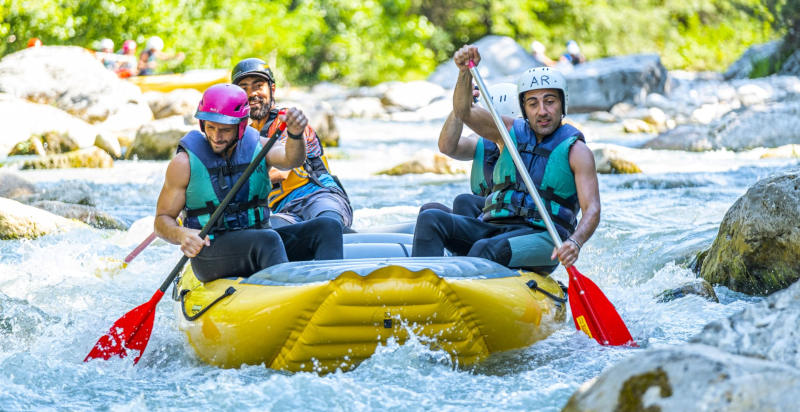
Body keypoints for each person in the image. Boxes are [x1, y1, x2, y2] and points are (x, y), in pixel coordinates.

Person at [412, 45, 601, 273]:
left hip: (543, 238)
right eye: (533, 104)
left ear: (563, 104)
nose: (542, 111)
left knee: (485, 249)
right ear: (524, 107)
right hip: (496, 225)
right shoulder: (507, 132)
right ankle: (423, 290)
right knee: (432, 219)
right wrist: (464, 72)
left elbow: (592, 209)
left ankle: (458, 292)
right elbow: (464, 111)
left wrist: (575, 241)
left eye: (550, 101)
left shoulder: (577, 152)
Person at [154, 84, 343, 283]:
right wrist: (181, 234)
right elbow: (161, 220)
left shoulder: (259, 147)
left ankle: (330, 290)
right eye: (211, 127)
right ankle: (286, 297)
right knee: (267, 240)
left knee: (327, 227)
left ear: (241, 126)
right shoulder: (184, 164)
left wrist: (296, 135)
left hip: (259, 240)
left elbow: (291, 159)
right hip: (211, 253)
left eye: (225, 130)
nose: (216, 137)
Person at [231, 58, 354, 232]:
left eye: (258, 86)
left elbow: (280, 172)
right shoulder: (243, 135)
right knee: (262, 234)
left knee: (328, 225)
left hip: (318, 196)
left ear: (272, 89)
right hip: (285, 210)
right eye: (244, 89)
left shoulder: (289, 120)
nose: (252, 94)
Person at [420, 82, 520, 218]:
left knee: (465, 202)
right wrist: (461, 106)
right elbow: (447, 146)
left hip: (512, 216)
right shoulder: (480, 141)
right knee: (429, 209)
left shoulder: (531, 140)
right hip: (484, 215)